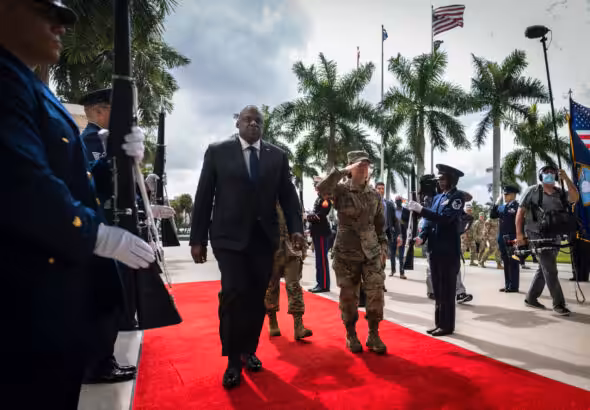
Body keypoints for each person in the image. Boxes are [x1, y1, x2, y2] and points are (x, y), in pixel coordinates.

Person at [0, 1, 154, 408]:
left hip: (49, 304)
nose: (62, 24)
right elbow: (20, 181)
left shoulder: (29, 85)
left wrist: (116, 159)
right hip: (20, 305)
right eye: (44, 11)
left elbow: (74, 175)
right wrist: (95, 235)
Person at [189, 105, 304, 389]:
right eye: (247, 120)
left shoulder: (276, 156)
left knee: (256, 298)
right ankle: (231, 360)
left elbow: (288, 196)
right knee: (233, 293)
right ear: (237, 123)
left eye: (258, 121)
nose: (253, 124)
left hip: (263, 240)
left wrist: (297, 229)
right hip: (228, 239)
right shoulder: (217, 151)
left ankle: (248, 350)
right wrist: (197, 238)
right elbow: (203, 196)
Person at [316, 151, 388, 354]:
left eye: (366, 165)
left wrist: (383, 247)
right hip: (346, 253)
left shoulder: (374, 195)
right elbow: (322, 189)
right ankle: (351, 334)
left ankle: (374, 334)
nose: (364, 168)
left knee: (375, 294)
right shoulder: (340, 191)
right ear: (350, 168)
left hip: (371, 252)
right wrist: (342, 171)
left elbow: (380, 225)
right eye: (359, 165)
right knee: (349, 298)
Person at [411, 164, 465, 337]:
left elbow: (445, 219)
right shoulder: (437, 198)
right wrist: (422, 237)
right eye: (439, 179)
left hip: (448, 250)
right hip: (434, 249)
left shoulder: (457, 198)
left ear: (452, 179)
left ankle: (447, 325)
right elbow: (428, 222)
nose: (440, 182)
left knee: (448, 290)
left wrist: (422, 210)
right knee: (437, 288)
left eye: (443, 178)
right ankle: (439, 322)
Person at [517, 165, 579, 316]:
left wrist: (567, 180)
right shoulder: (532, 191)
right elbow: (520, 213)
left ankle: (531, 298)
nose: (549, 174)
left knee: (544, 268)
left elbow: (575, 197)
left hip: (555, 235)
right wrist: (519, 234)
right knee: (550, 269)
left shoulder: (560, 192)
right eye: (546, 172)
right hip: (536, 234)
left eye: (552, 172)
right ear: (540, 176)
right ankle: (558, 304)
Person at [265, 204, 312, 340]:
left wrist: (302, 248)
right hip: (272, 250)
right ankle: (272, 321)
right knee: (271, 287)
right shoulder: (265, 194)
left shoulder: (290, 196)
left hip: (292, 248)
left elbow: (298, 221)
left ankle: (298, 326)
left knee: (294, 286)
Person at [425, 191, 473, 304]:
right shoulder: (434, 202)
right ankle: (432, 290)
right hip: (434, 240)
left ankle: (460, 293)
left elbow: (460, 225)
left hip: (449, 244)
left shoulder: (457, 210)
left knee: (454, 268)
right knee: (432, 268)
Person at [491, 185, 521, 292]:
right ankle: (507, 284)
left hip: (512, 237)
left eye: (507, 194)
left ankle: (514, 286)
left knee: (513, 261)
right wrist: (495, 203)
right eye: (504, 194)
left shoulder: (517, 206)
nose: (505, 196)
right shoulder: (502, 207)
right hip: (502, 238)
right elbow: (492, 215)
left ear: (513, 195)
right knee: (506, 262)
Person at [308, 183, 332, 293]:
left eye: (318, 185)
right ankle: (320, 283)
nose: (316, 187)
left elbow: (320, 215)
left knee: (322, 260)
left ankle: (323, 285)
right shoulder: (318, 199)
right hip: (317, 232)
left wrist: (309, 216)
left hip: (322, 232)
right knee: (318, 260)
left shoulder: (325, 199)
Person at [375, 183, 402, 277]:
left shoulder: (389, 205)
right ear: (375, 189)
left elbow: (395, 221)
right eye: (379, 188)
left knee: (382, 258)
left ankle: (381, 282)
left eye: (382, 189)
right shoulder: (370, 203)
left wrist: (399, 235)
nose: (381, 190)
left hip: (384, 235)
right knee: (373, 260)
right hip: (372, 235)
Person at [393, 195, 411, 277]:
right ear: (395, 202)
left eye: (399, 200)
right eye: (397, 201)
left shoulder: (406, 211)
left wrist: (402, 223)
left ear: (401, 201)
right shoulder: (392, 210)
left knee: (401, 254)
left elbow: (409, 223)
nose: (398, 202)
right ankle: (393, 270)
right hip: (393, 234)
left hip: (402, 234)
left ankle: (402, 272)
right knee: (392, 253)